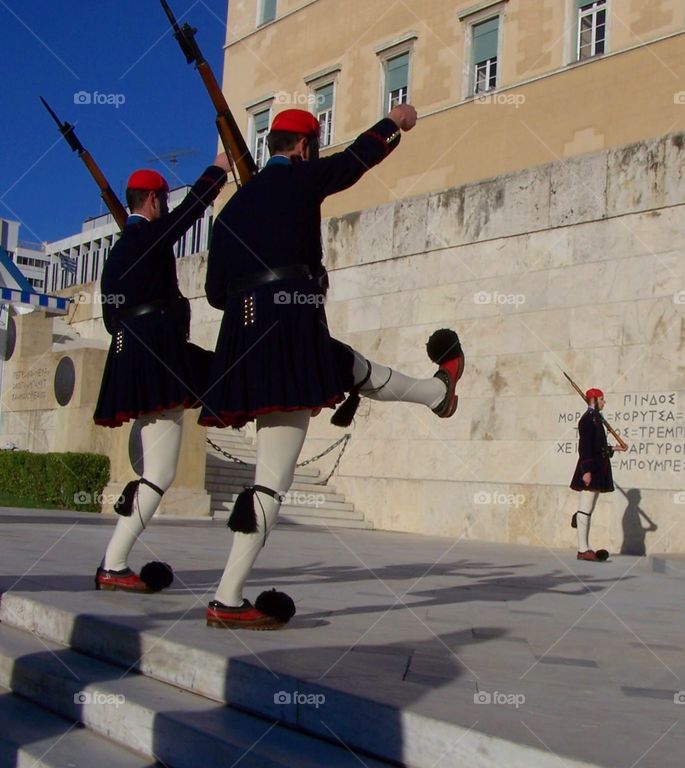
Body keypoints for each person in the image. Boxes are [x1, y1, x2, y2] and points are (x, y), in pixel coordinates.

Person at [201, 106, 464, 629]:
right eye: (312, 147)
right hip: (289, 325)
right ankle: (227, 598)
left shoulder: (228, 212)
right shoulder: (302, 177)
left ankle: (437, 394)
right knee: (272, 478)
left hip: (242, 335)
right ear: (302, 147)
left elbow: (213, 294)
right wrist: (396, 120)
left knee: (345, 366)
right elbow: (356, 161)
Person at [93, 155, 230, 592]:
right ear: (152, 200)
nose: (165, 208)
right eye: (162, 201)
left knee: (160, 472)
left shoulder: (117, 256)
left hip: (136, 355)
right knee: (227, 369)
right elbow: (189, 213)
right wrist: (217, 172)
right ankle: (113, 564)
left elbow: (111, 318)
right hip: (160, 355)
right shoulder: (147, 236)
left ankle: (114, 563)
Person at [569, 387, 626, 562]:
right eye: (601, 399)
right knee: (585, 509)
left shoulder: (596, 419)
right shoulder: (587, 420)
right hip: (591, 469)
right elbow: (585, 448)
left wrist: (616, 448)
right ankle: (583, 549)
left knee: (588, 509)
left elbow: (598, 448)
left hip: (597, 467)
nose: (604, 402)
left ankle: (582, 539)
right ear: (594, 400)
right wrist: (586, 471)